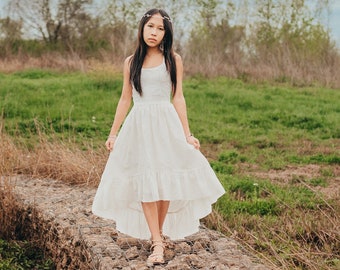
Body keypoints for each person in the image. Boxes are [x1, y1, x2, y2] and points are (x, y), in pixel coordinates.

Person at [92, 8, 225, 266]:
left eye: (160, 28)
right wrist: (113, 132)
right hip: (139, 124)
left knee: (164, 180)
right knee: (145, 179)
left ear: (166, 33)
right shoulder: (131, 62)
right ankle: (156, 241)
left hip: (166, 124)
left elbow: (178, 97)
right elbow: (125, 98)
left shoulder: (172, 60)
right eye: (150, 26)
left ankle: (159, 235)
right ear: (142, 28)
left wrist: (188, 134)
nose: (154, 32)